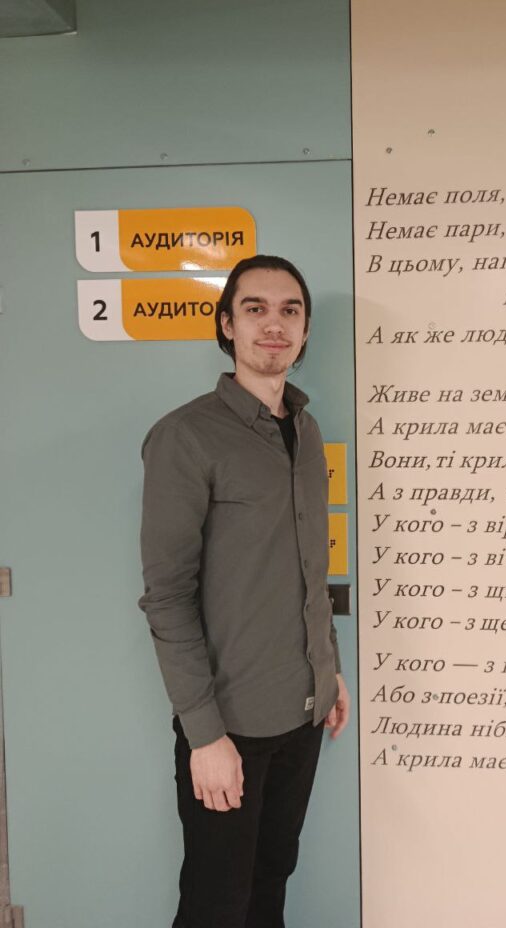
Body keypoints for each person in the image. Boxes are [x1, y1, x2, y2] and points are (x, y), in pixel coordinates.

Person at [139, 254, 349, 928]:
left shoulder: (307, 431)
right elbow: (167, 596)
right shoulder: (186, 436)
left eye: (290, 310)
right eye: (255, 308)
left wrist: (329, 668)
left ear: (306, 329)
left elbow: (308, 567)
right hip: (229, 727)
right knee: (215, 907)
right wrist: (204, 736)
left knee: (271, 885)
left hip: (304, 714)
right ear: (227, 325)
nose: (274, 324)